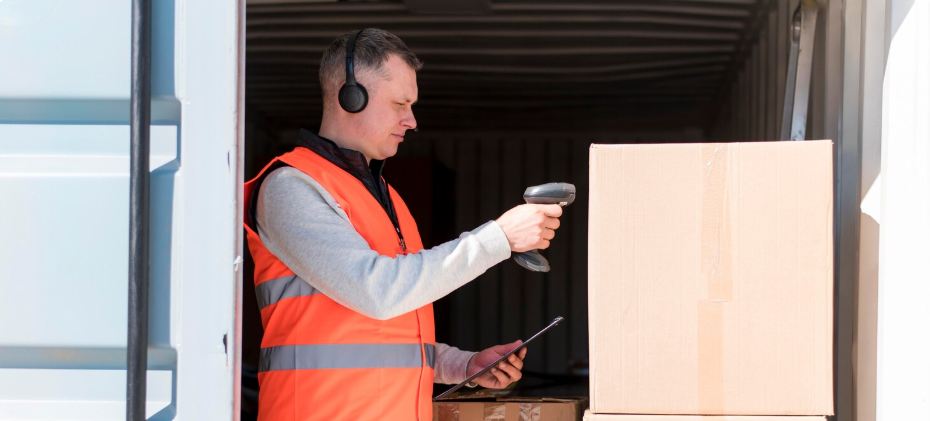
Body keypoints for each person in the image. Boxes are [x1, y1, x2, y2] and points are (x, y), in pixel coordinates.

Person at [243, 28, 562, 421]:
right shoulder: (291, 187)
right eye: (400, 104)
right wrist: (499, 238)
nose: (411, 121)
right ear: (350, 96)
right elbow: (378, 292)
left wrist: (463, 366)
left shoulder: (385, 197)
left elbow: (386, 333)